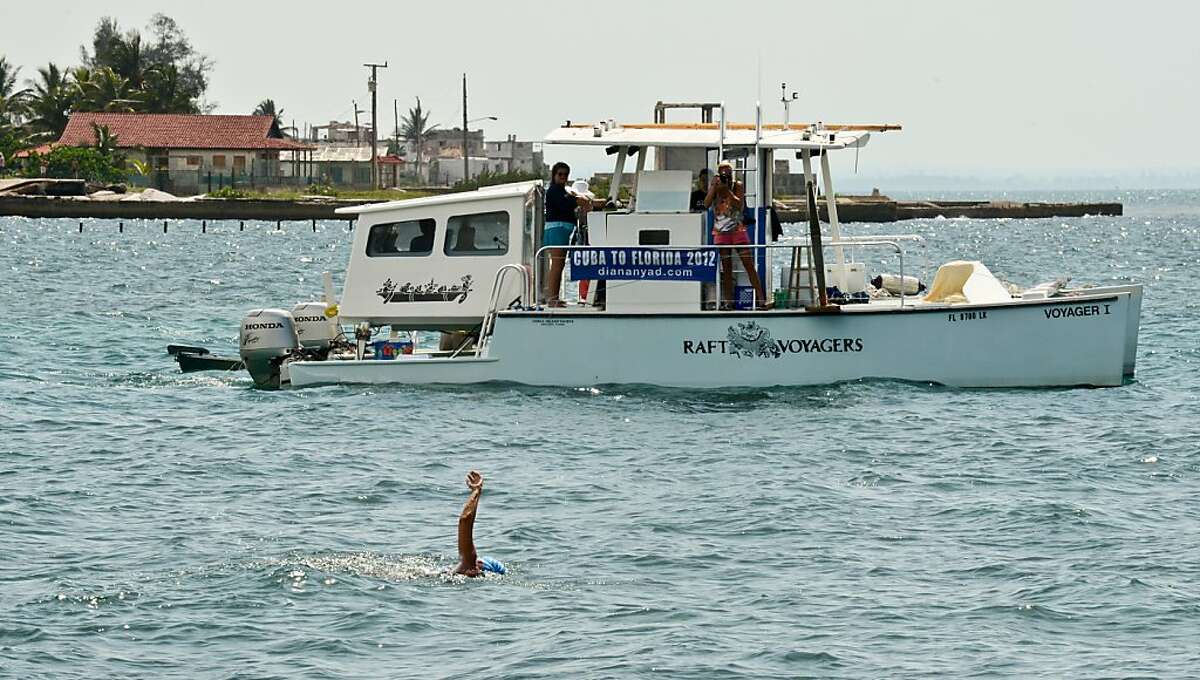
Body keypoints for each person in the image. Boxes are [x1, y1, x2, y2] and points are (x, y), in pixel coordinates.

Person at [705, 160, 767, 309]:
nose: (726, 176)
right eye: (723, 173)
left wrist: (728, 192)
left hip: (738, 231)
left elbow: (740, 205)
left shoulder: (737, 185)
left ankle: (761, 298)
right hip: (721, 232)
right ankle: (729, 301)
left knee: (749, 264)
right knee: (726, 268)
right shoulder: (715, 186)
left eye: (728, 173)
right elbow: (706, 204)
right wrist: (714, 188)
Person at [543, 161, 591, 307]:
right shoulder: (554, 191)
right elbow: (567, 203)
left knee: (561, 264)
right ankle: (552, 299)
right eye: (560, 174)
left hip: (563, 229)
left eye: (565, 174)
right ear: (554, 175)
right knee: (557, 264)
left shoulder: (563, 191)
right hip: (557, 228)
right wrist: (580, 201)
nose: (563, 177)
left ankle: (555, 297)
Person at [454, 470, 506, 577]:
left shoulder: (470, 564)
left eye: (480, 561)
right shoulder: (471, 572)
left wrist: (476, 490)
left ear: (482, 565)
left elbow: (465, 519)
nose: (478, 560)